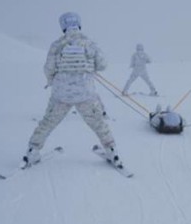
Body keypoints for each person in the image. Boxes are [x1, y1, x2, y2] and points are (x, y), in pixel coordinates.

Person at [23, 12, 123, 169]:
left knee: (47, 122)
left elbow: (48, 69)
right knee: (98, 123)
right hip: (85, 93)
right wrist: (90, 67)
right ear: (79, 24)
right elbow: (103, 64)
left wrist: (52, 80)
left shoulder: (57, 45)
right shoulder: (89, 43)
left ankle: (32, 152)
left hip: (61, 94)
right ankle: (112, 152)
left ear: (63, 26)